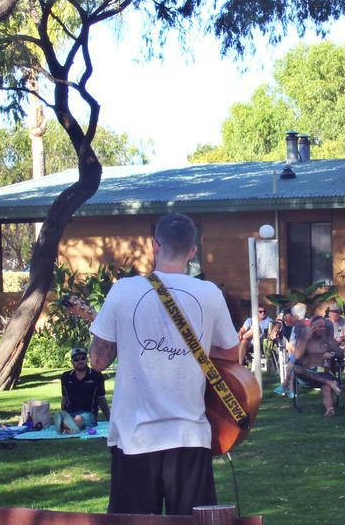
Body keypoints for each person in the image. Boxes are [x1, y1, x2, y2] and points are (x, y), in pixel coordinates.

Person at [88, 213, 239, 516]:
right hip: (189, 434)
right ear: (192, 250)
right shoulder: (209, 293)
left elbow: (97, 361)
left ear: (154, 245)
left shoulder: (123, 290)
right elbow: (231, 355)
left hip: (134, 437)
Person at [293, 318, 343, 417]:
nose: (323, 329)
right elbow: (297, 356)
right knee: (296, 369)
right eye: (320, 327)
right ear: (312, 328)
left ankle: (329, 409)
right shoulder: (304, 339)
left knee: (326, 387)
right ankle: (329, 382)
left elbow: (340, 353)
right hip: (307, 374)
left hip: (324, 372)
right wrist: (306, 338)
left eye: (324, 326)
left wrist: (332, 354)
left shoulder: (328, 340)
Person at [61, 347, 111, 432]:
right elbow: (64, 398)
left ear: (86, 359)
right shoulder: (65, 376)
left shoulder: (96, 375)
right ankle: (68, 426)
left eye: (83, 358)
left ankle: (68, 427)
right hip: (70, 413)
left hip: (89, 414)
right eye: (76, 359)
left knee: (79, 418)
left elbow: (101, 398)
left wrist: (110, 418)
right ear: (72, 362)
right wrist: (63, 413)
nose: (80, 361)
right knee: (63, 420)